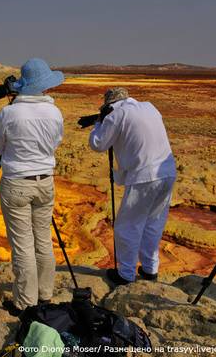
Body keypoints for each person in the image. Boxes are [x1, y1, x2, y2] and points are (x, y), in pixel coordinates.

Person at [0, 58, 65, 316]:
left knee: (22, 246)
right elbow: (55, 143)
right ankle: (45, 297)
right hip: (45, 182)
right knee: (43, 240)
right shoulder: (54, 112)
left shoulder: (10, 113)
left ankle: (25, 304)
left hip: (17, 183)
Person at [88, 87, 176, 285]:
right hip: (167, 172)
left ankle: (126, 274)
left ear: (109, 106)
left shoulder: (116, 114)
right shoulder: (149, 107)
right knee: (153, 223)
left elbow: (98, 144)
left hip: (145, 176)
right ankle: (150, 270)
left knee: (127, 225)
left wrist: (98, 124)